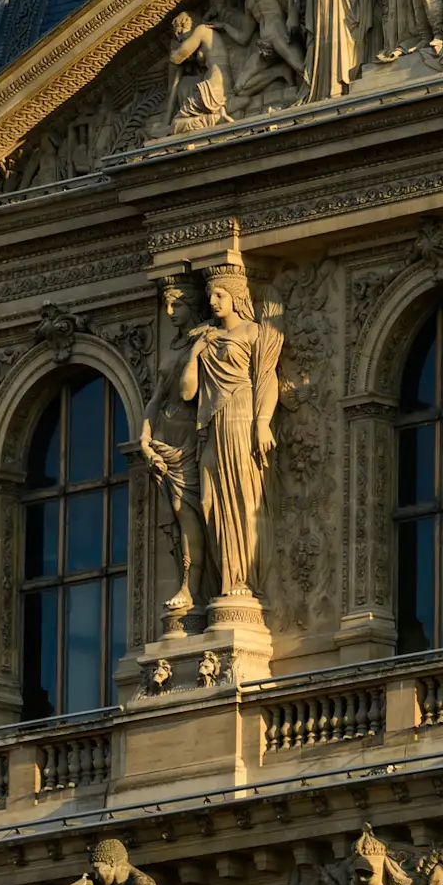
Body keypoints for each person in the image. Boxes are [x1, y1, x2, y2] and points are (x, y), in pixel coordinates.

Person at [177, 231, 282, 611]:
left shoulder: (255, 333)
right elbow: (187, 393)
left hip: (240, 418)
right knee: (210, 499)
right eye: (210, 295)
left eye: (219, 294)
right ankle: (224, 578)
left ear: (237, 296)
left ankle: (242, 580)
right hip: (210, 425)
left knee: (240, 495)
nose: (212, 300)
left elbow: (266, 379)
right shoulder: (204, 338)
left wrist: (262, 422)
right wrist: (194, 355)